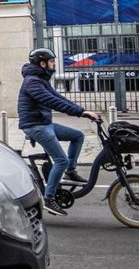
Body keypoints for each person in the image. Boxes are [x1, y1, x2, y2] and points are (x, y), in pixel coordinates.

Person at [18, 48, 100, 217]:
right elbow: (52, 101)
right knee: (60, 160)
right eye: (52, 61)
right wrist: (80, 113)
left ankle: (71, 171)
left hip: (44, 123)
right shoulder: (32, 81)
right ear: (43, 63)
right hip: (35, 126)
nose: (54, 64)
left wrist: (82, 110)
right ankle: (49, 198)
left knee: (77, 136)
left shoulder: (40, 79)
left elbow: (58, 97)